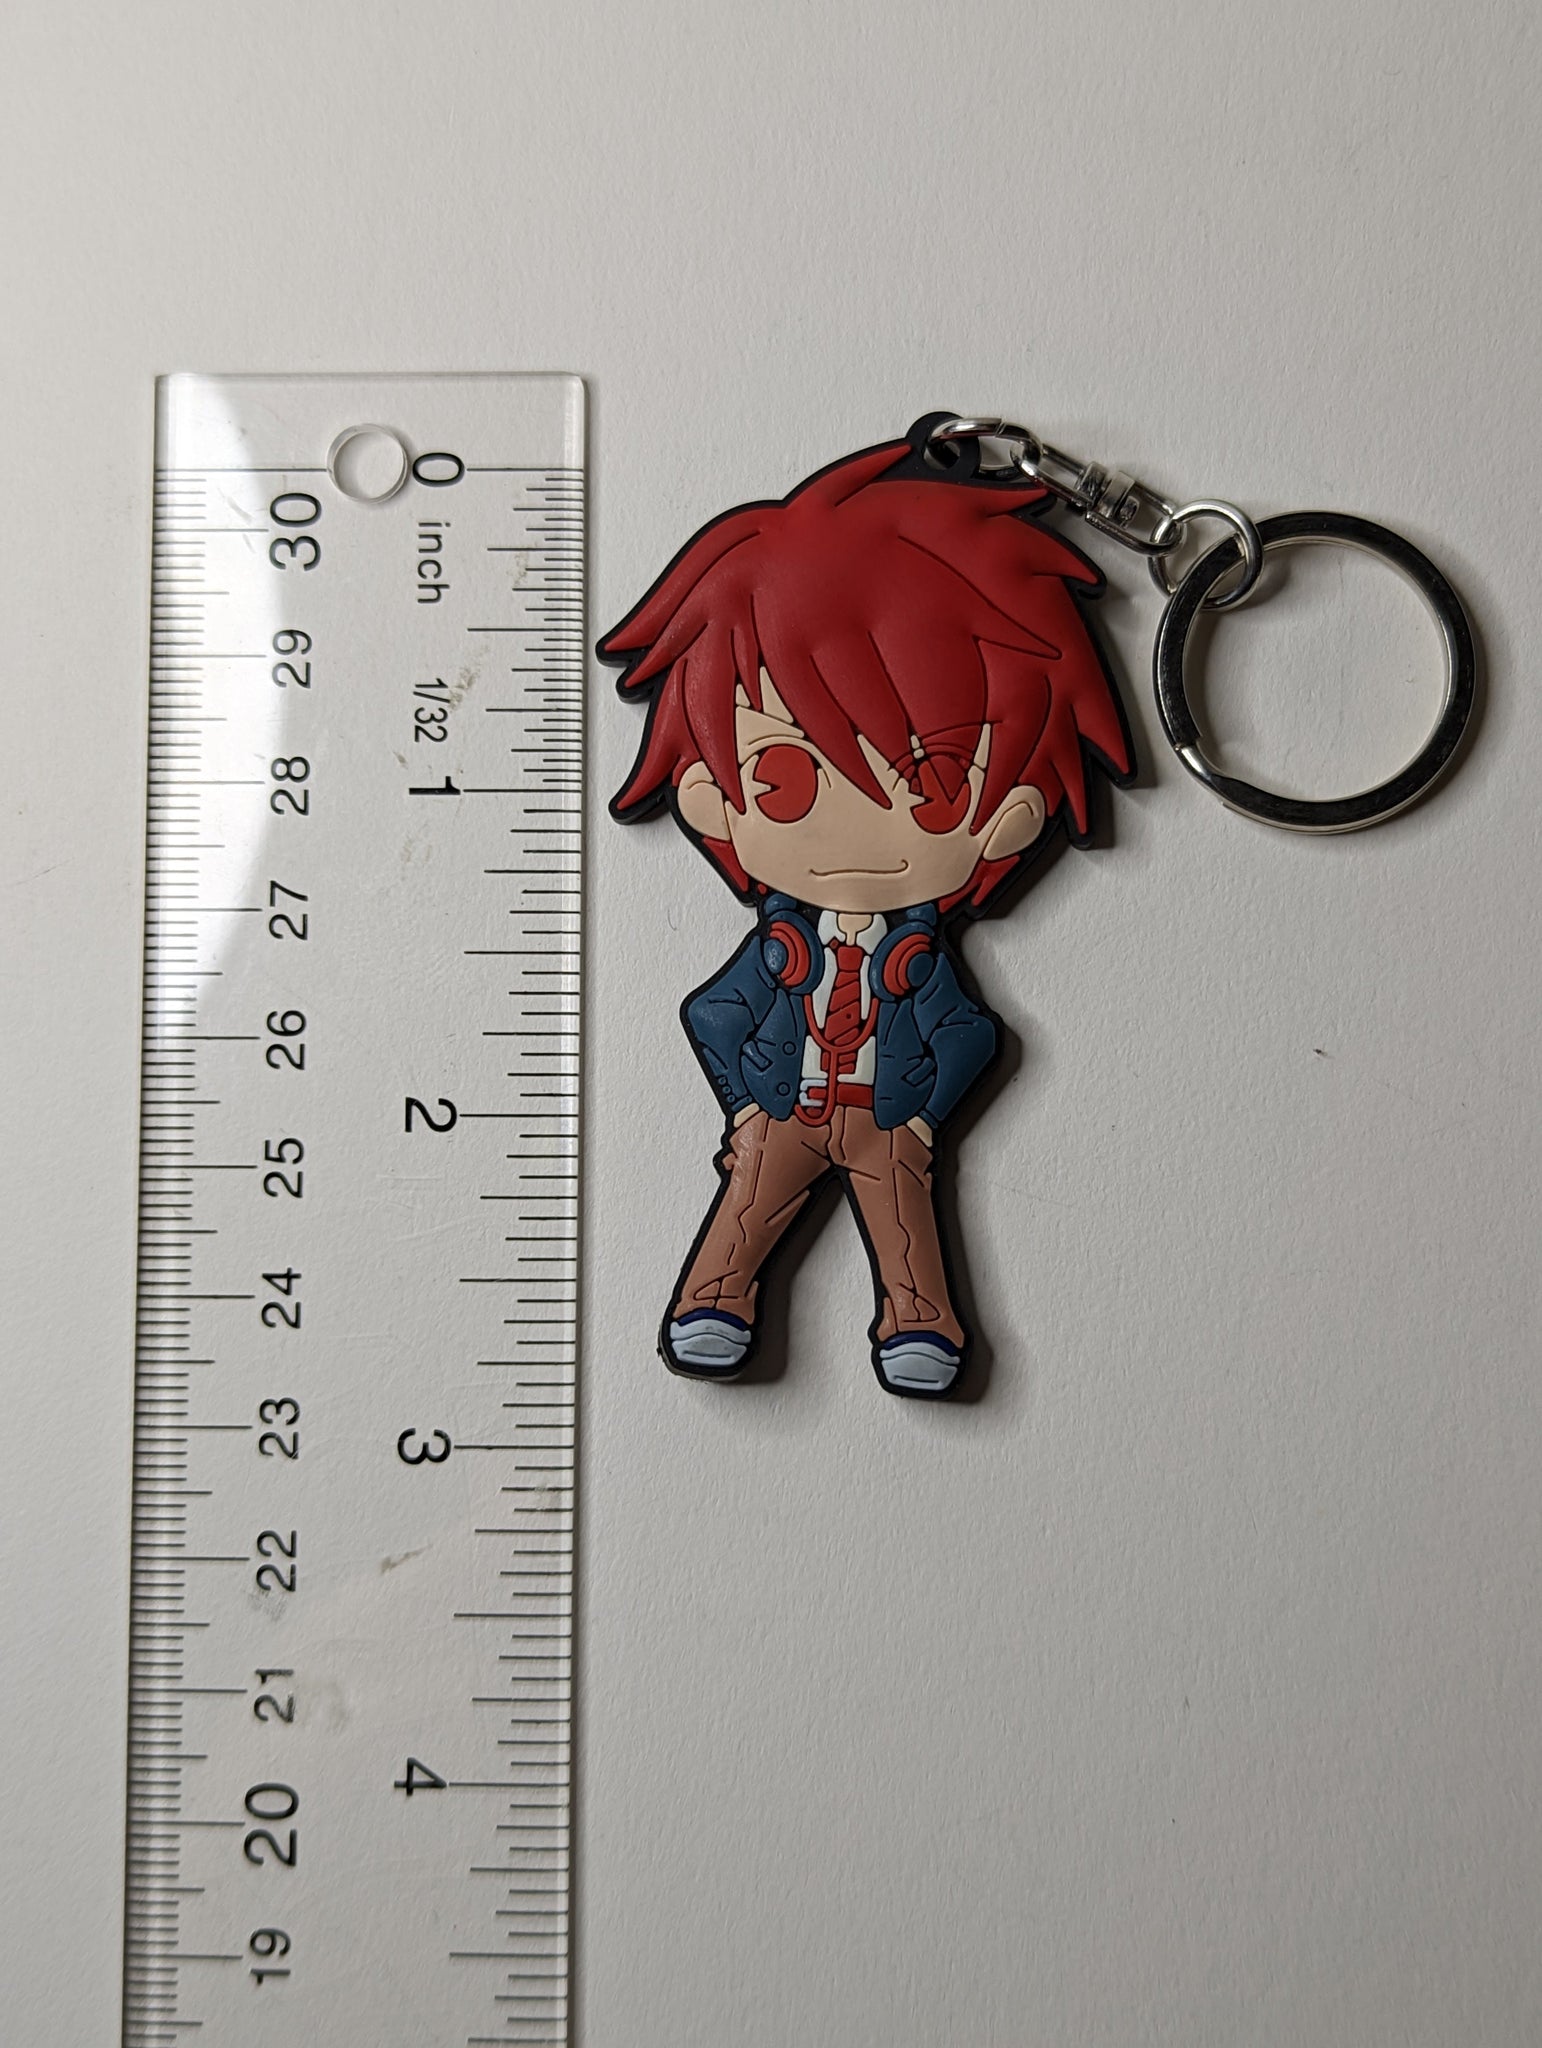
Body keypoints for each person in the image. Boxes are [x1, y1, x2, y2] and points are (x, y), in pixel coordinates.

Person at [602, 423, 1133, 1397]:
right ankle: (713, 1305)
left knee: (907, 1228)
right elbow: (711, 1014)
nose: (859, 819)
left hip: (888, 1122)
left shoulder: (919, 955)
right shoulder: (779, 945)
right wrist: (746, 1104)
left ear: (1010, 818)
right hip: (784, 1110)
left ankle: (918, 1323)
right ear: (711, 797)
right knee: (745, 1211)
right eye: (788, 777)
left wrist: (923, 1115)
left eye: (929, 785)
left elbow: (972, 1033)